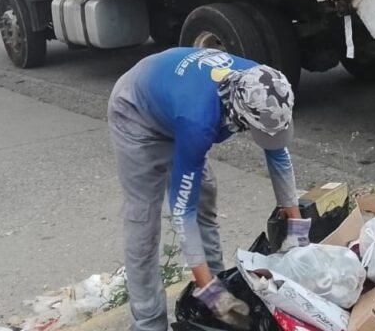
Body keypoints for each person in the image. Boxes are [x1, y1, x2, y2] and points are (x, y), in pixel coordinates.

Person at [108, 47, 309, 331]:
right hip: (137, 112)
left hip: (175, 99)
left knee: (204, 195)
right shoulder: (198, 121)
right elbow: (183, 212)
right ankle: (148, 322)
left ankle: (217, 287)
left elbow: (277, 153)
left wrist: (297, 232)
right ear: (239, 115)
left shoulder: (266, 86)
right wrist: (210, 293)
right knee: (144, 219)